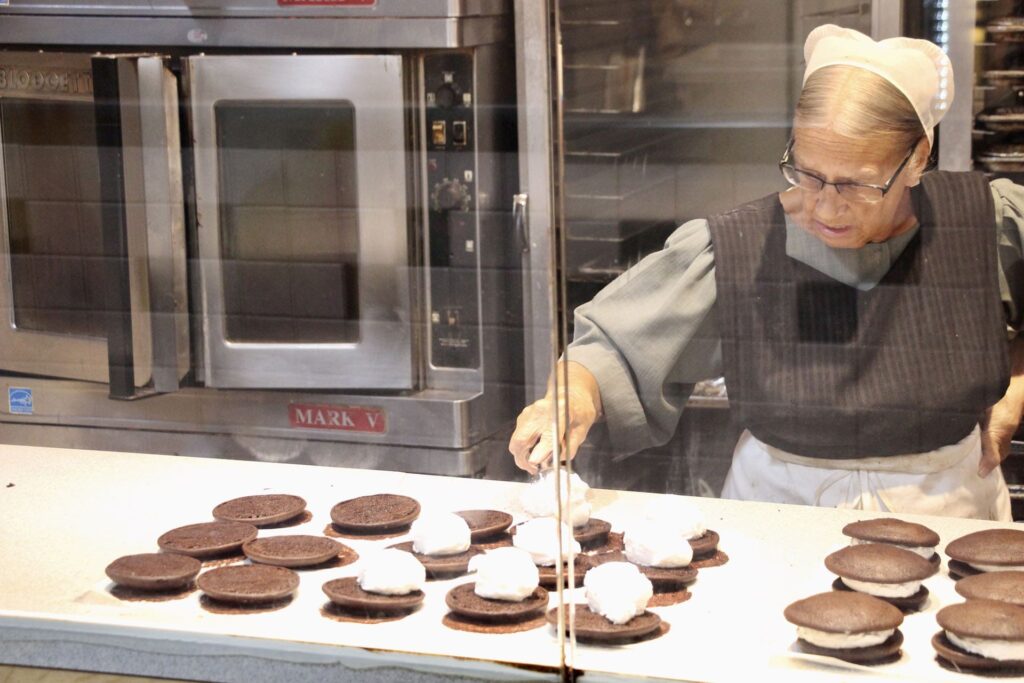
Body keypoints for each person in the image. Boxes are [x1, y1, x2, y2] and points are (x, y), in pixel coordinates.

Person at [509, 25, 1024, 521]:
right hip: (778, 511)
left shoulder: (983, 221)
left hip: (950, 513)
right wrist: (571, 396)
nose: (825, 207)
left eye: (857, 185)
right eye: (807, 173)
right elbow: (612, 350)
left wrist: (1016, 391)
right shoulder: (737, 246)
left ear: (917, 159)